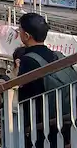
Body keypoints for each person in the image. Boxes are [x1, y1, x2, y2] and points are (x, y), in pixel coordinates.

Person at [16, 13, 60, 145]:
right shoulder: (54, 56)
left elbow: (24, 91)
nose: (19, 33)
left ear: (27, 36)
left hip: (37, 123)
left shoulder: (28, 60)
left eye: (20, 30)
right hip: (57, 117)